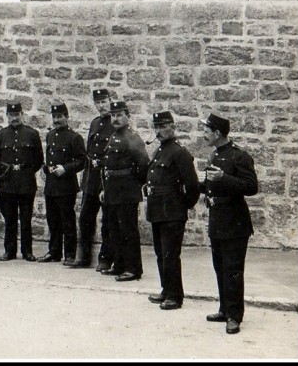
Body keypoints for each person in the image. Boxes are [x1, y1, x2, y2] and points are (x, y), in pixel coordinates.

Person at [199, 112, 258, 335]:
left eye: (206, 132)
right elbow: (211, 186)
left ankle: (234, 316)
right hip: (218, 220)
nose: (203, 135)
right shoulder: (214, 155)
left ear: (217, 133)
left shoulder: (239, 156)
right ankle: (224, 309)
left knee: (233, 270)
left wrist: (223, 178)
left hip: (235, 223)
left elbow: (252, 187)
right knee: (220, 268)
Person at [144, 111, 200, 310]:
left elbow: (193, 186)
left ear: (173, 127)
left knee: (170, 254)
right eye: (156, 127)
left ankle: (175, 296)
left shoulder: (179, 152)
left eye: (163, 126)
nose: (159, 131)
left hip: (172, 213)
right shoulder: (160, 150)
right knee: (161, 253)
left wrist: (182, 206)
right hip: (158, 210)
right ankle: (166, 290)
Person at [100, 100, 150, 281]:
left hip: (127, 190)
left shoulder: (132, 138)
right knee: (114, 230)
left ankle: (133, 268)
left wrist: (135, 184)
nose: (116, 118)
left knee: (128, 230)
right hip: (113, 190)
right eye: (113, 115)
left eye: (120, 115)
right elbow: (108, 167)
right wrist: (105, 188)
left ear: (128, 117)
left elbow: (143, 164)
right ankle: (119, 264)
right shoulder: (113, 137)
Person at [68, 88, 116, 269]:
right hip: (91, 179)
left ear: (111, 101)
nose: (101, 105)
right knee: (85, 218)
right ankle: (84, 257)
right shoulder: (95, 123)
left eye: (104, 101)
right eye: (98, 102)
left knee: (107, 221)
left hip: (106, 178)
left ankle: (105, 259)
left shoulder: (115, 123)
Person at [0, 102, 43, 262]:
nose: (14, 118)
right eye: (11, 115)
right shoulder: (1, 135)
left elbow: (39, 159)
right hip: (7, 184)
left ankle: (27, 251)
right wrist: (7, 171)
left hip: (26, 183)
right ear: (7, 116)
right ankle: (10, 251)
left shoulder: (32, 134)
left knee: (26, 219)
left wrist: (25, 171)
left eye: (17, 114)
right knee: (10, 219)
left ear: (22, 114)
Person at [39, 102, 86, 264]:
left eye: (60, 117)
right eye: (54, 117)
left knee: (67, 221)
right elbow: (48, 158)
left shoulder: (74, 138)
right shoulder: (50, 135)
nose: (57, 120)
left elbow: (82, 161)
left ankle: (70, 254)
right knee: (52, 221)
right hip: (51, 186)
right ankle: (54, 252)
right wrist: (47, 168)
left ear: (67, 117)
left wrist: (65, 168)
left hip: (66, 187)